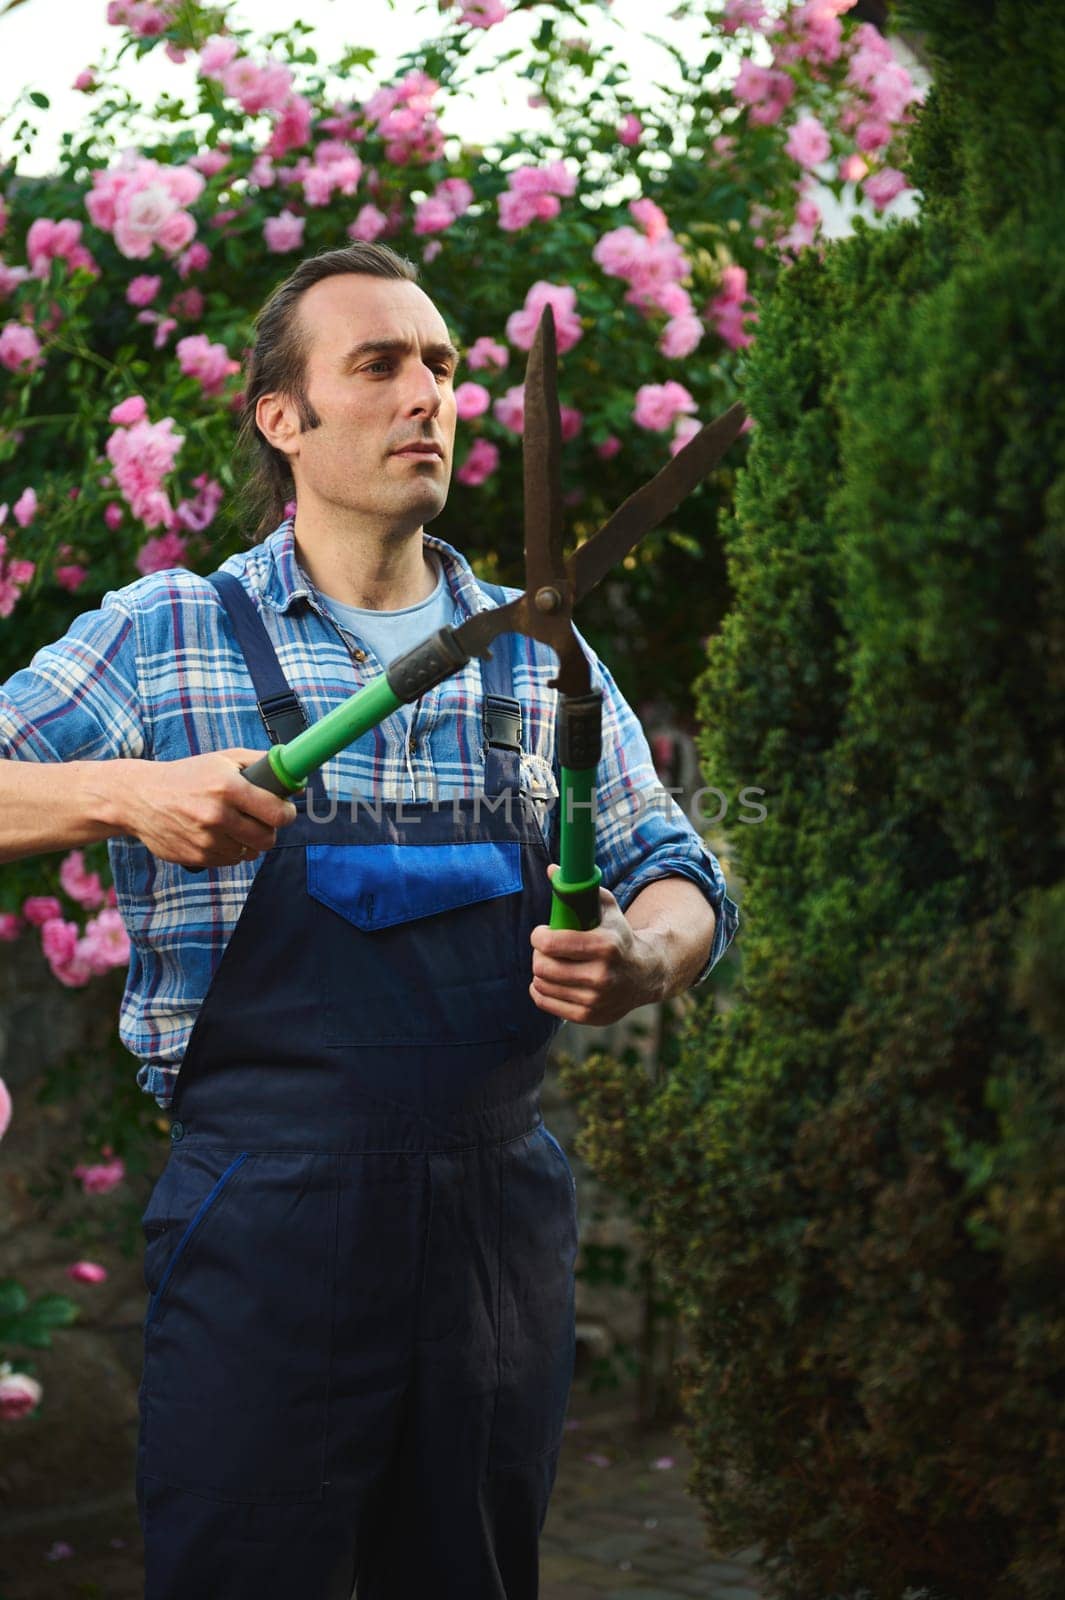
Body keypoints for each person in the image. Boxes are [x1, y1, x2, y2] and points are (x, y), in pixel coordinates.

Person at [0, 242, 738, 1600]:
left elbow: (672, 868)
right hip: (262, 1225)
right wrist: (128, 793)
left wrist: (648, 953)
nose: (428, 397)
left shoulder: (538, 652)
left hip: (494, 1238)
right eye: (380, 364)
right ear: (282, 418)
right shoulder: (167, 637)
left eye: (444, 367)